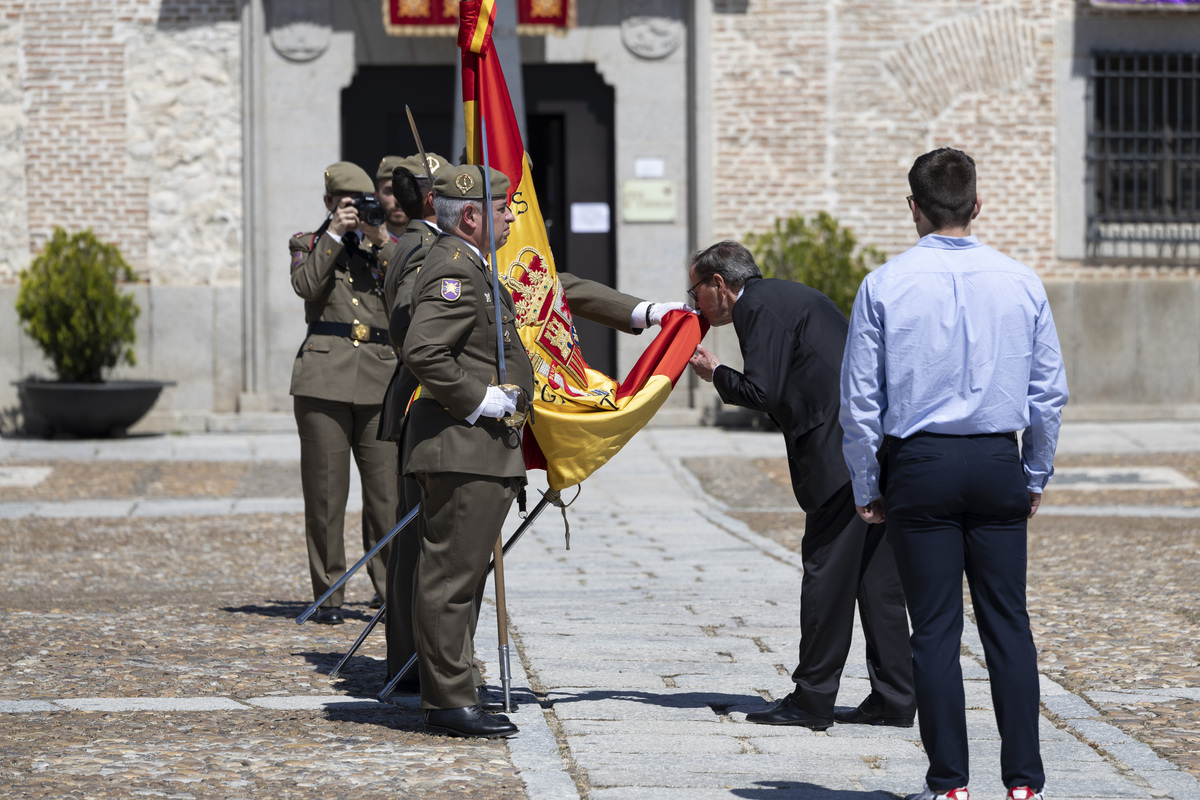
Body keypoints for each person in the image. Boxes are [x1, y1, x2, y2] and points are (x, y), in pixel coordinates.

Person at [839, 148, 1068, 800]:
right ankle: (1024, 783)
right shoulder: (1021, 281)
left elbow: (859, 403)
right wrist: (1035, 472)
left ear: (913, 208)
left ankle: (949, 786)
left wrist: (866, 483)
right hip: (997, 458)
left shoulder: (884, 284)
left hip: (921, 464)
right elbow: (1049, 393)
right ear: (977, 205)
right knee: (1008, 623)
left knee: (935, 627)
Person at [687, 241, 915, 732]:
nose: (693, 302)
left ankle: (812, 698)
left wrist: (714, 372)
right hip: (873, 446)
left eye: (695, 291)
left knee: (827, 576)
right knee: (878, 582)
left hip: (838, 457)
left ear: (719, 286)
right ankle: (895, 696)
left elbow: (763, 391)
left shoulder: (756, 308)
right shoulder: (790, 296)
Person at [289, 161, 398, 624]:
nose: (355, 211)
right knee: (326, 495)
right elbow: (306, 285)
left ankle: (391, 590)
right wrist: (333, 234)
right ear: (330, 203)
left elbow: (407, 288)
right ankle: (329, 594)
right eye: (346, 203)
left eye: (362, 203)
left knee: (386, 497)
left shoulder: (389, 246)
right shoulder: (308, 243)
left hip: (379, 378)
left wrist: (379, 239)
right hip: (323, 380)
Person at [375, 155, 410, 242]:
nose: (398, 201)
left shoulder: (429, 242)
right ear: (376, 196)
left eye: (403, 190)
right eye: (389, 191)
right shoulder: (362, 242)